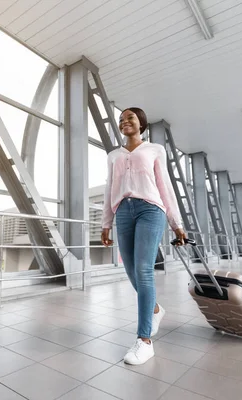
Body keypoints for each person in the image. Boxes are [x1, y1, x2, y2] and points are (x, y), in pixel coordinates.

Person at [101, 107, 186, 365]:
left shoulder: (154, 150)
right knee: (130, 270)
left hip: (151, 209)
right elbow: (109, 188)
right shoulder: (113, 155)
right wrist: (106, 222)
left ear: (141, 123)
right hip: (123, 211)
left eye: (130, 118)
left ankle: (144, 340)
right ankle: (156, 309)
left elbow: (165, 186)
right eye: (121, 119)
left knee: (144, 269)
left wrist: (176, 223)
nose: (124, 122)